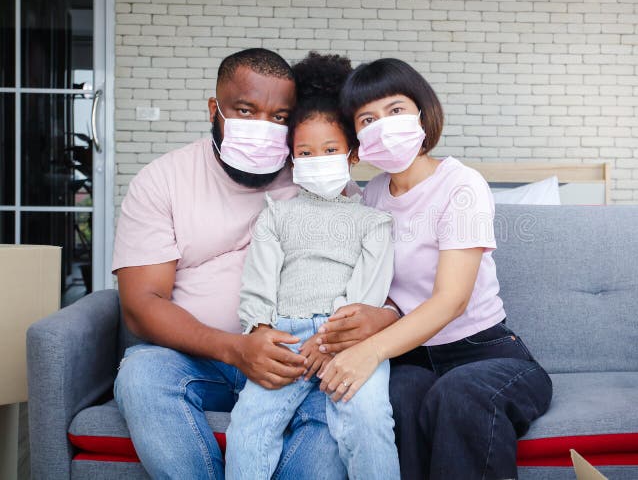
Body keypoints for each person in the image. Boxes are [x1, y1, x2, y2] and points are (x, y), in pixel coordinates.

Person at [111, 48, 398, 480]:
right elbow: (140, 303)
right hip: (203, 360)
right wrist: (237, 349)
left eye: (279, 117)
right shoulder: (163, 180)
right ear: (216, 109)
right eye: (246, 111)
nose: (263, 128)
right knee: (140, 373)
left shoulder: (315, 169)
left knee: (335, 423)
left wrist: (374, 318)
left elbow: (368, 275)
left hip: (301, 362)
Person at [316, 58, 553, 479]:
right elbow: (381, 284)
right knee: (398, 397)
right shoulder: (372, 195)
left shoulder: (460, 184)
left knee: (458, 394)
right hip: (412, 357)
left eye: (395, 110)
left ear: (423, 113)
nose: (383, 124)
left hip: (485, 353)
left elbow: (452, 299)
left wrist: (368, 350)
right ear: (358, 137)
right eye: (367, 118)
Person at [225, 52, 400, 479]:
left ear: (351, 155)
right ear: (291, 160)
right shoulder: (275, 214)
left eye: (330, 149)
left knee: (369, 419)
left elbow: (368, 290)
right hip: (283, 335)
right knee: (249, 425)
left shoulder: (374, 221)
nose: (317, 158)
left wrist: (328, 340)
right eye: (305, 151)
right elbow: (259, 280)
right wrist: (259, 327)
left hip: (348, 338)